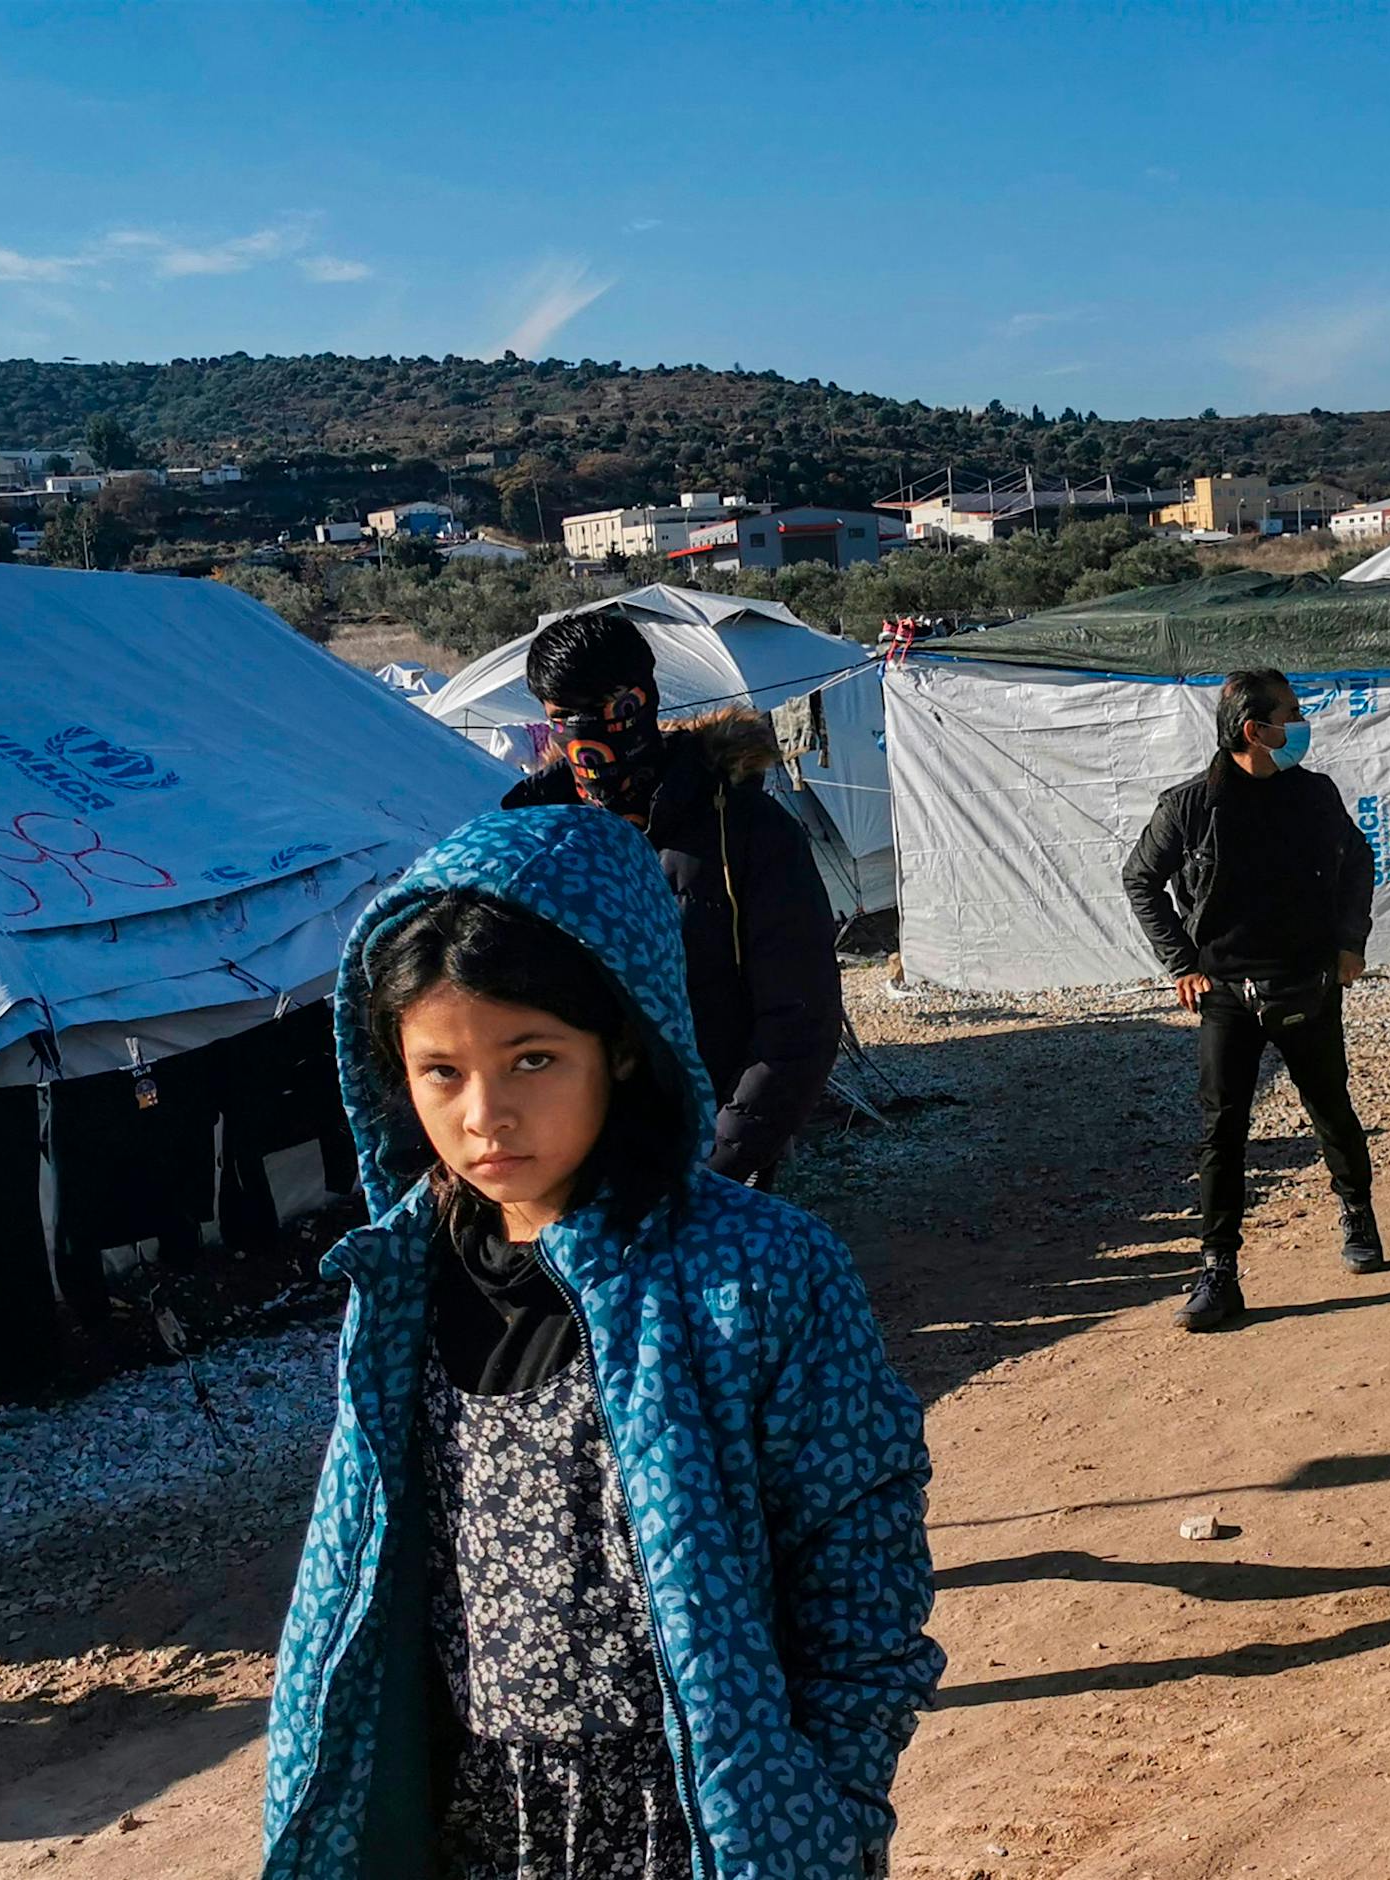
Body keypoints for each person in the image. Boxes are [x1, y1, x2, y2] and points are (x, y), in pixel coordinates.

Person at [262, 805, 943, 1880]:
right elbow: (363, 1570)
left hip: (701, 1815)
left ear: (622, 1044)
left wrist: (832, 1797)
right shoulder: (396, 1277)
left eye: (531, 1058)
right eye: (441, 1070)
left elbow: (860, 1553)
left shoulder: (753, 1269)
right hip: (477, 1814)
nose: (485, 1114)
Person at [503, 611, 841, 1188]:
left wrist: (717, 1167)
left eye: (611, 712)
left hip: (708, 1156)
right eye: (563, 718)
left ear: (647, 702)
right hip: (571, 1165)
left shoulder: (749, 833)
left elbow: (798, 1022)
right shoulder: (528, 840)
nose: (588, 738)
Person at [1123, 669, 1381, 1332]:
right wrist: (1181, 963)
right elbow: (1141, 879)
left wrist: (1351, 942)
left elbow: (1358, 861)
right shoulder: (1191, 806)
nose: (1301, 725)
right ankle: (1219, 1272)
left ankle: (1358, 1217)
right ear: (1253, 730)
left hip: (1311, 985)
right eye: (1290, 714)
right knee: (1222, 1131)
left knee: (1331, 1108)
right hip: (1228, 997)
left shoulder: (1314, 794)